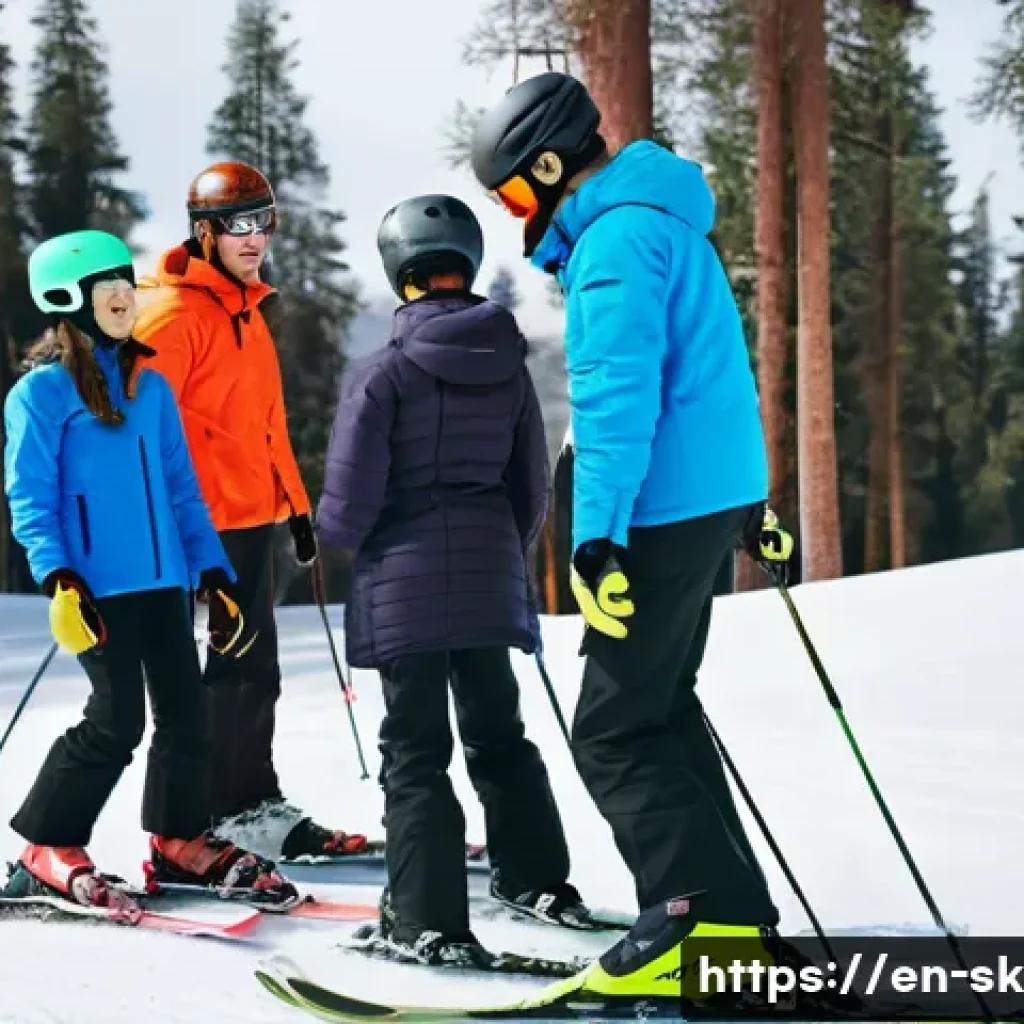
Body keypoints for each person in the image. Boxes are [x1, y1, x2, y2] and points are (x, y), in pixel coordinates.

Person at [470, 72, 801, 1002]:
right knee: (658, 709)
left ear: (545, 164)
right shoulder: (666, 222)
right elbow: (717, 379)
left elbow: (618, 399)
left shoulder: (616, 241)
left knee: (612, 731)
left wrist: (594, 539)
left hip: (655, 514)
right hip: (703, 503)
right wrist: (750, 506)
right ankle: (728, 918)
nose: (510, 212)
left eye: (509, 192)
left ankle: (699, 914)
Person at [315, 194, 592, 966]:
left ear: (400, 276)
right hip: (487, 575)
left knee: (415, 750)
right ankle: (536, 879)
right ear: (461, 268)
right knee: (499, 731)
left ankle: (426, 919)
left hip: (404, 585)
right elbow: (531, 485)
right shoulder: (507, 369)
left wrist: (339, 540)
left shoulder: (384, 374)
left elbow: (348, 505)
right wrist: (498, 549)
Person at [1, 229, 296, 910]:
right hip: (98, 591)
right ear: (65, 300)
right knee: (115, 720)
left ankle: (179, 839)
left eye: (125, 285)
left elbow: (181, 490)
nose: (122, 298)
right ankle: (47, 843)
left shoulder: (150, 386)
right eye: (105, 288)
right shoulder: (39, 397)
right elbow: (30, 497)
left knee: (189, 717)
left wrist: (214, 574)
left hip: (163, 583)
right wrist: (59, 577)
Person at [131, 161, 365, 862]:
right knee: (216, 673)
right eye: (240, 225)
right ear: (203, 234)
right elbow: (140, 430)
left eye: (266, 221)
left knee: (252, 669)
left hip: (247, 517)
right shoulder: (175, 316)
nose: (256, 237)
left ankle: (247, 804)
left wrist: (293, 503)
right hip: (195, 522)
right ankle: (198, 820)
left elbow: (264, 426)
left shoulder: (243, 310)